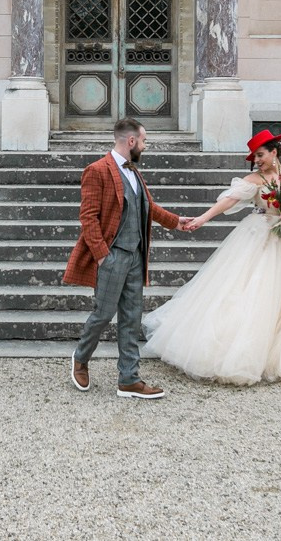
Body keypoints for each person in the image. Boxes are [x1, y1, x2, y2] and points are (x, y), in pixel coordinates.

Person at [142, 129, 281, 386]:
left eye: (260, 155)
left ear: (274, 151)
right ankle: (245, 356)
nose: (257, 160)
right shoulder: (254, 180)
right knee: (257, 294)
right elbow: (228, 201)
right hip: (261, 237)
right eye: (253, 157)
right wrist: (203, 218)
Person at [65, 118, 192, 399]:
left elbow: (147, 206)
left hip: (136, 255)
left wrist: (176, 221)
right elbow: (88, 218)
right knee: (103, 314)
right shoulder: (97, 170)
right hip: (112, 255)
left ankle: (129, 378)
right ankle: (80, 357)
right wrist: (101, 256)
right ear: (131, 141)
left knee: (132, 317)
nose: (145, 147)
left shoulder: (134, 172)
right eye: (144, 142)